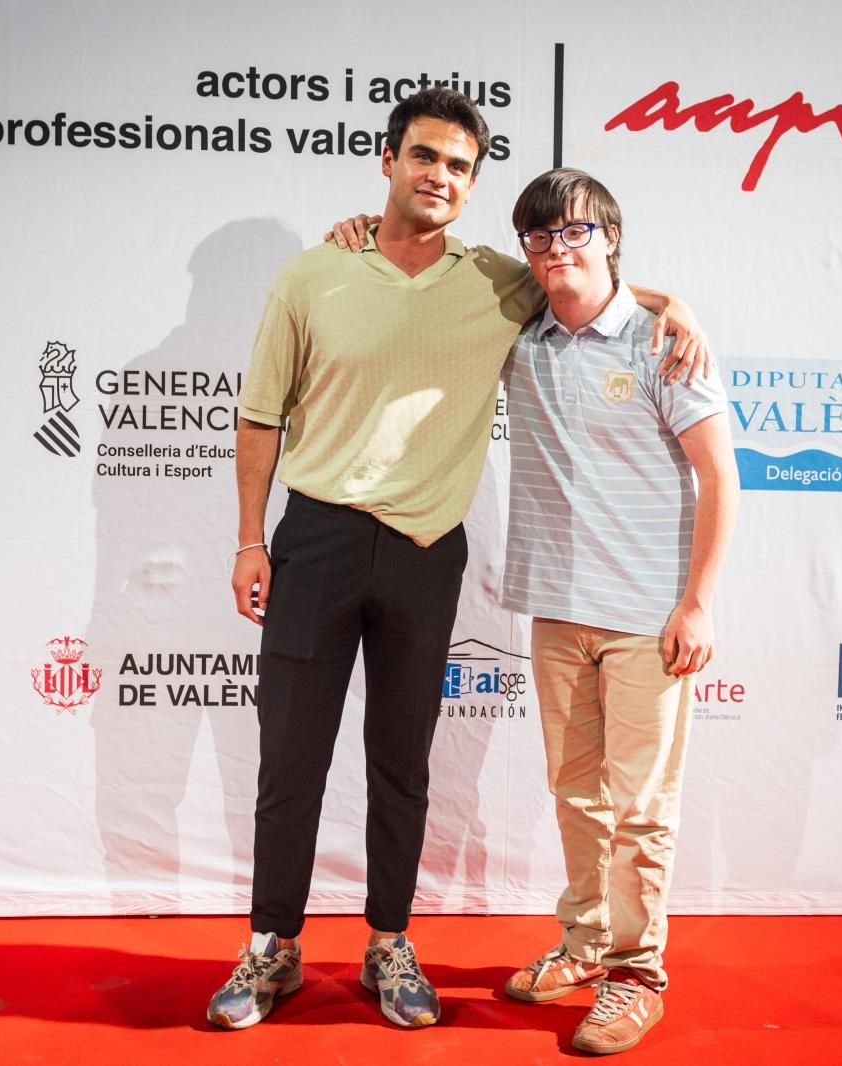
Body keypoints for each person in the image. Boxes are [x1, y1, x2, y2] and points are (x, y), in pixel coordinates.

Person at [208, 89, 710, 1032]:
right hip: (313, 538)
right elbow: (260, 414)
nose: (442, 177)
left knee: (402, 765)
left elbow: (582, 281)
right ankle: (272, 946)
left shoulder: (495, 278)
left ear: (472, 186)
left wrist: (668, 300)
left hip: (425, 552)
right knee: (290, 761)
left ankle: (389, 944)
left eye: (461, 168)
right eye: (427, 157)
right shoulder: (314, 273)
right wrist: (248, 537)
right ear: (389, 160)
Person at [497, 168, 737, 1055]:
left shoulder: (663, 343)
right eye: (542, 238)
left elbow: (722, 477)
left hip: (648, 618)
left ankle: (638, 975)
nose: (559, 251)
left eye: (577, 233)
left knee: (642, 807)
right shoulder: (518, 336)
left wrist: (698, 603)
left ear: (611, 236)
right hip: (556, 612)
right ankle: (587, 943)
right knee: (576, 797)